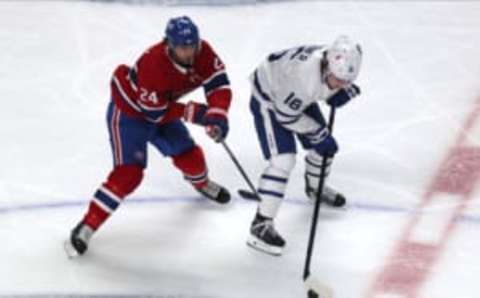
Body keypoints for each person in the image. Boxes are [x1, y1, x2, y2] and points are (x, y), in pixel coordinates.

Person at [65, 16, 232, 257]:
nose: (189, 52)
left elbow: (219, 85)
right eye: (182, 47)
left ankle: (202, 184)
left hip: (161, 111)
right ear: (169, 45)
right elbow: (154, 113)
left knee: (190, 155)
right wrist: (194, 112)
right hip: (129, 115)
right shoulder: (153, 63)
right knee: (129, 174)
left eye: (192, 45)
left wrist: (217, 114)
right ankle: (88, 225)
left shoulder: (204, 52)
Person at [246, 36, 362, 256]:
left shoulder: (333, 61)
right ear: (328, 66)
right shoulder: (304, 79)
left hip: (291, 96)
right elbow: (286, 117)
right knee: (283, 160)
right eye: (338, 80)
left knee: (325, 148)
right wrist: (318, 133)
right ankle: (260, 224)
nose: (340, 84)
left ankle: (315, 188)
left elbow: (331, 83)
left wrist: (342, 89)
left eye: (345, 81)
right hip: (270, 100)